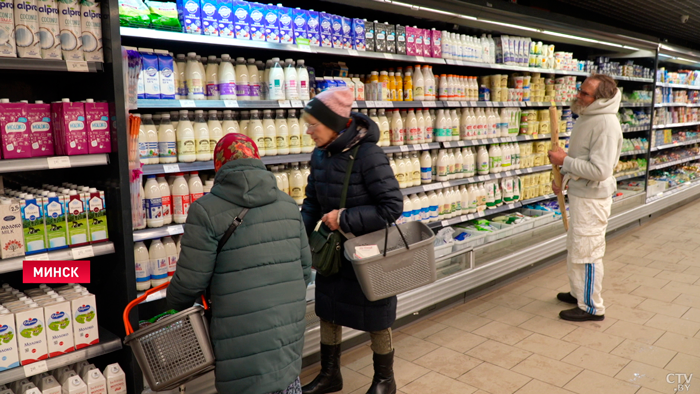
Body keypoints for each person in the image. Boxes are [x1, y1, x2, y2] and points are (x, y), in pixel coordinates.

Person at [166, 133, 312, 394]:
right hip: (287, 326)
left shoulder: (205, 210)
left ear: (219, 165)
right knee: (286, 382)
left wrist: (173, 310)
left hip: (238, 333)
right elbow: (304, 268)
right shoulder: (289, 205)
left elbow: (190, 281)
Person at [300, 88, 403, 394]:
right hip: (333, 251)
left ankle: (385, 380)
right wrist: (296, 237)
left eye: (313, 124)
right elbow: (311, 203)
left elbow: (391, 207)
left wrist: (343, 217)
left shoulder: (369, 154)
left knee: (376, 315)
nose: (308, 132)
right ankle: (330, 375)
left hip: (368, 252)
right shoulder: (319, 155)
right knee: (328, 310)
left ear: (332, 123)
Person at [548, 74, 622, 322]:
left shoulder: (606, 125)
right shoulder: (588, 116)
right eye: (580, 90)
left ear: (600, 99)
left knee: (588, 252)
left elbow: (601, 171)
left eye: (585, 93)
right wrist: (565, 175)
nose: (578, 95)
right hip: (581, 194)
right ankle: (578, 291)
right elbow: (585, 159)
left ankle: (592, 307)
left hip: (592, 200)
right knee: (577, 246)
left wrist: (565, 161)